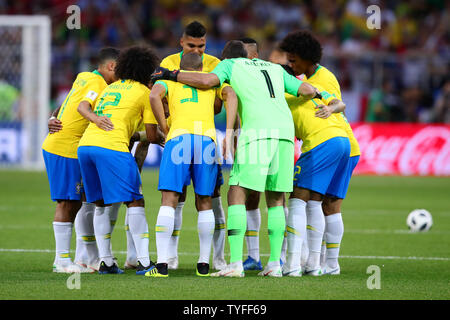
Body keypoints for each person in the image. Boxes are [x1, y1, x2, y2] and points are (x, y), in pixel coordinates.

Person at [151, 40, 320, 277]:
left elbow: (209, 81)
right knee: (276, 197)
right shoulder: (274, 67)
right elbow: (306, 90)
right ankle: (274, 264)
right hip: (285, 134)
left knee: (236, 192)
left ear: (226, 57)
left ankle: (236, 264)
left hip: (257, 132)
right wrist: (320, 94)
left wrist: (171, 74)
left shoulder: (229, 65)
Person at [146, 53, 238, 278]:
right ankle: (203, 264)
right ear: (202, 67)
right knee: (205, 200)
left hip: (179, 138)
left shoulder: (169, 80)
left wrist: (164, 126)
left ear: (180, 67)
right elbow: (232, 95)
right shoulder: (212, 82)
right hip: (207, 140)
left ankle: (162, 264)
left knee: (169, 199)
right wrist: (228, 130)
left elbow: (153, 96)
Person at [77, 46, 163, 275]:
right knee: (135, 201)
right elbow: (152, 135)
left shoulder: (109, 87)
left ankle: (105, 261)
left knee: (101, 204)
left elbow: (84, 106)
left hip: (86, 146)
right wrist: (160, 136)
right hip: (112, 148)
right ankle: (144, 263)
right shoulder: (145, 93)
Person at [279, 30, 356, 276]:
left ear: (307, 57)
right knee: (327, 204)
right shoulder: (312, 84)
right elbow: (338, 103)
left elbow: (337, 105)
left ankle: (298, 264)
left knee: (300, 199)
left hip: (326, 142)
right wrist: (332, 108)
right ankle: (329, 265)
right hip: (344, 142)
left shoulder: (304, 86)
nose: (291, 64)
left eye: (293, 60)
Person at [42, 47, 119, 273]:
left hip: (65, 145)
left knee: (78, 200)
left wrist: (52, 116)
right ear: (111, 66)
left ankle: (80, 257)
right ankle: (62, 261)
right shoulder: (98, 85)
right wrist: (97, 119)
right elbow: (80, 106)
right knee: (67, 202)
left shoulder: (84, 77)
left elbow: (66, 105)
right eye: (120, 71)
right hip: (65, 148)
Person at [160, 21, 227, 271]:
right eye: (191, 46)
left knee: (209, 196)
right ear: (181, 42)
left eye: (201, 46)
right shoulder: (168, 62)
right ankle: (172, 256)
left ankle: (215, 258)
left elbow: (221, 100)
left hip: (189, 134)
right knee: (179, 196)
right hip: (190, 134)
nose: (197, 51)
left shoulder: (215, 63)